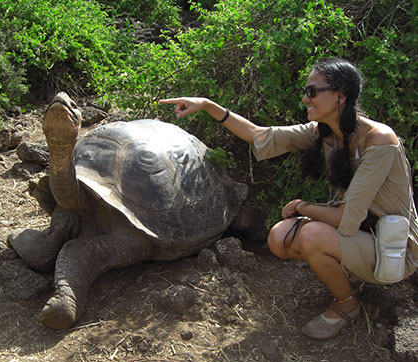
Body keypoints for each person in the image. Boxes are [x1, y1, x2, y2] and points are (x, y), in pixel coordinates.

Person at [160, 58, 418, 340]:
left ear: (340, 96)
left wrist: (303, 207)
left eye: (312, 91)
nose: (305, 98)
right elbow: (260, 136)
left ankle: (347, 305)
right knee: (279, 237)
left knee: (312, 236)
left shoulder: (380, 140)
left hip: (393, 249)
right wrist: (208, 105)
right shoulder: (325, 131)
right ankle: (349, 275)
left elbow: (346, 217)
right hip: (361, 230)